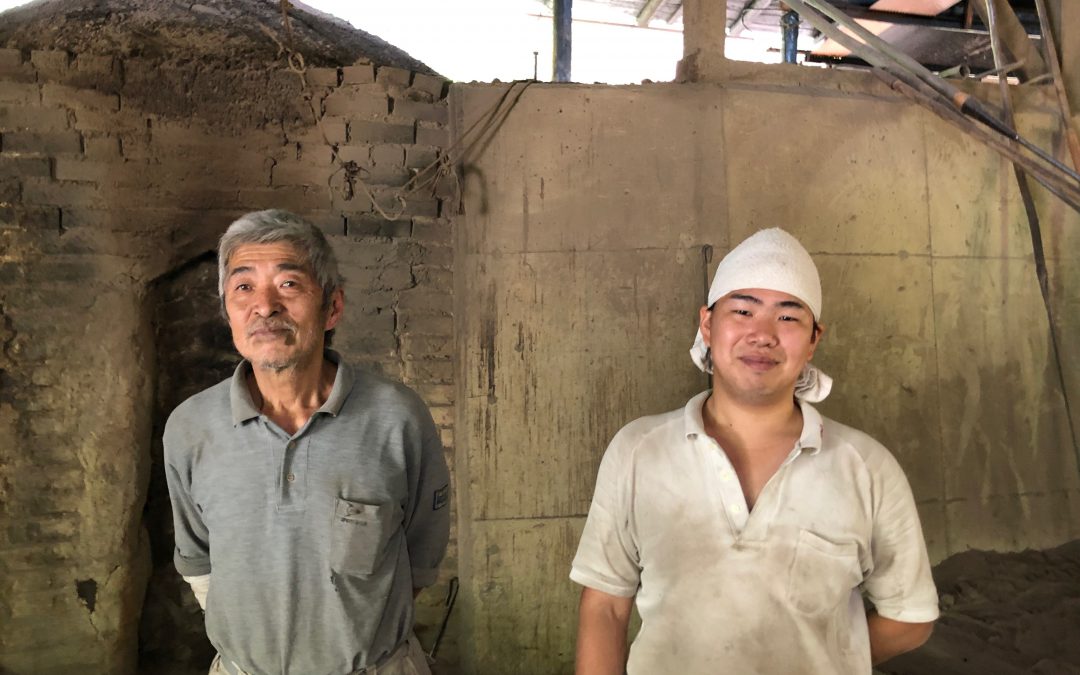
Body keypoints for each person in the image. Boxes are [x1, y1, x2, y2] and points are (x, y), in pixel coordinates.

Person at [571, 228, 939, 674]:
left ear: (814, 339)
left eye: (788, 318)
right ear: (707, 325)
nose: (762, 334)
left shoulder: (865, 467)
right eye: (742, 311)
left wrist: (822, 659)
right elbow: (606, 606)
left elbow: (909, 617)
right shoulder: (638, 451)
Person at [164, 209, 450, 675]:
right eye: (243, 287)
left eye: (289, 285)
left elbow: (418, 560)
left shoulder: (397, 418)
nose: (265, 306)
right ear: (228, 311)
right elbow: (198, 561)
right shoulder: (190, 427)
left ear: (332, 307)